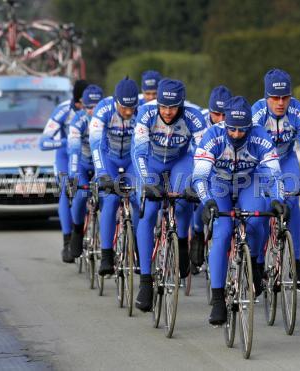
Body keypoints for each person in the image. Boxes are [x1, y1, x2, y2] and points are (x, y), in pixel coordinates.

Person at [192, 96, 287, 325]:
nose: (236, 135)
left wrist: (278, 200)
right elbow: (200, 175)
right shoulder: (213, 136)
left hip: (248, 183)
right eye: (232, 130)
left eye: (241, 130)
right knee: (223, 232)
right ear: (224, 123)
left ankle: (254, 264)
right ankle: (217, 300)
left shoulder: (260, 137)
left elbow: (274, 175)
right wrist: (207, 201)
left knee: (257, 218)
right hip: (220, 185)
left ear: (249, 127)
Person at [132, 78, 207, 311]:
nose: (166, 112)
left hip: (180, 161)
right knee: (150, 210)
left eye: (172, 107)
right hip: (152, 162)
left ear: (181, 105)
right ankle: (145, 281)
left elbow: (203, 155)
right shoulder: (145, 113)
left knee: (184, 200)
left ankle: (182, 244)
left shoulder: (194, 117)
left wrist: (197, 182)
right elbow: (138, 152)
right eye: (163, 106)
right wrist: (146, 182)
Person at [252, 69, 300, 289]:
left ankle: (296, 263)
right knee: (262, 208)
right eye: (275, 98)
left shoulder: (299, 112)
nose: (280, 103)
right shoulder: (257, 113)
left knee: (291, 200)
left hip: (286, 159)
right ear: (266, 97)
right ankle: (259, 262)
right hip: (260, 163)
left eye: (285, 98)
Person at [89, 77, 140, 275]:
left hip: (130, 160)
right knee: (110, 200)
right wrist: (102, 173)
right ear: (115, 101)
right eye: (124, 107)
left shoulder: (141, 110)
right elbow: (96, 144)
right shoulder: (103, 110)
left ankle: (138, 248)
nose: (128, 112)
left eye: (132, 107)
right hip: (109, 158)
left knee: (139, 200)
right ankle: (107, 254)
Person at [40, 79, 89, 263]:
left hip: (88, 156)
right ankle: (67, 240)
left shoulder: (97, 108)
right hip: (66, 156)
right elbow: (43, 142)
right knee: (66, 190)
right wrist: (66, 142)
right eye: (81, 105)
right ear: (76, 102)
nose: (84, 108)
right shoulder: (63, 110)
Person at [189, 85, 233, 272]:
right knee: (200, 197)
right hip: (201, 165)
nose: (220, 120)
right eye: (216, 114)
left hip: (226, 171)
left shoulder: (235, 123)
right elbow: (195, 158)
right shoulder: (200, 123)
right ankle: (198, 232)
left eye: (225, 115)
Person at [67, 84, 104, 259]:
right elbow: (73, 151)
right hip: (82, 162)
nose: (93, 111)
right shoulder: (78, 121)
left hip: (100, 163)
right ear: (83, 106)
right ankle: (77, 230)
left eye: (97, 107)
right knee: (81, 195)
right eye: (89, 107)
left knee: (107, 196)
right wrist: (73, 175)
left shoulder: (108, 118)